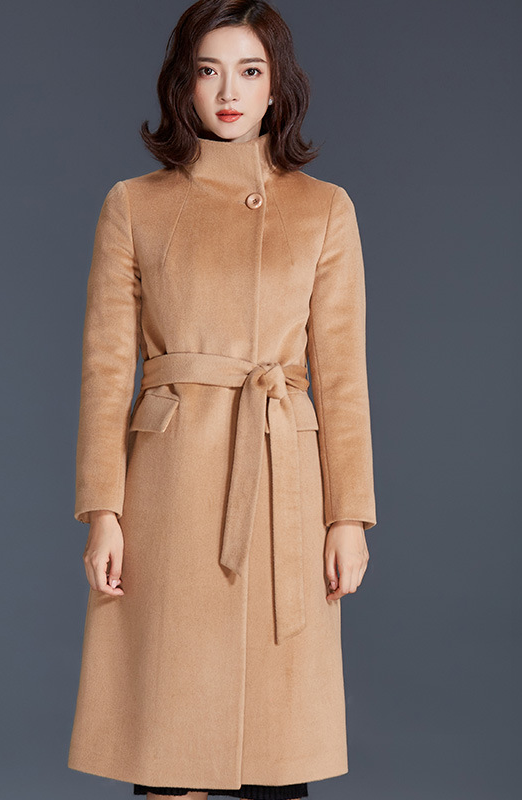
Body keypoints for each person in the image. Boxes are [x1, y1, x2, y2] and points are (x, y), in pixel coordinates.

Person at [68, 2, 378, 799]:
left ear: (277, 87)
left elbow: (342, 377)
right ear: (184, 83)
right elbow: (107, 371)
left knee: (277, 756)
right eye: (208, 70)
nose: (229, 92)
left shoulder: (325, 208)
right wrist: (103, 510)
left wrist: (348, 516)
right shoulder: (134, 204)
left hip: (283, 484)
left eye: (249, 71)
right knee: (169, 752)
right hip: (169, 487)